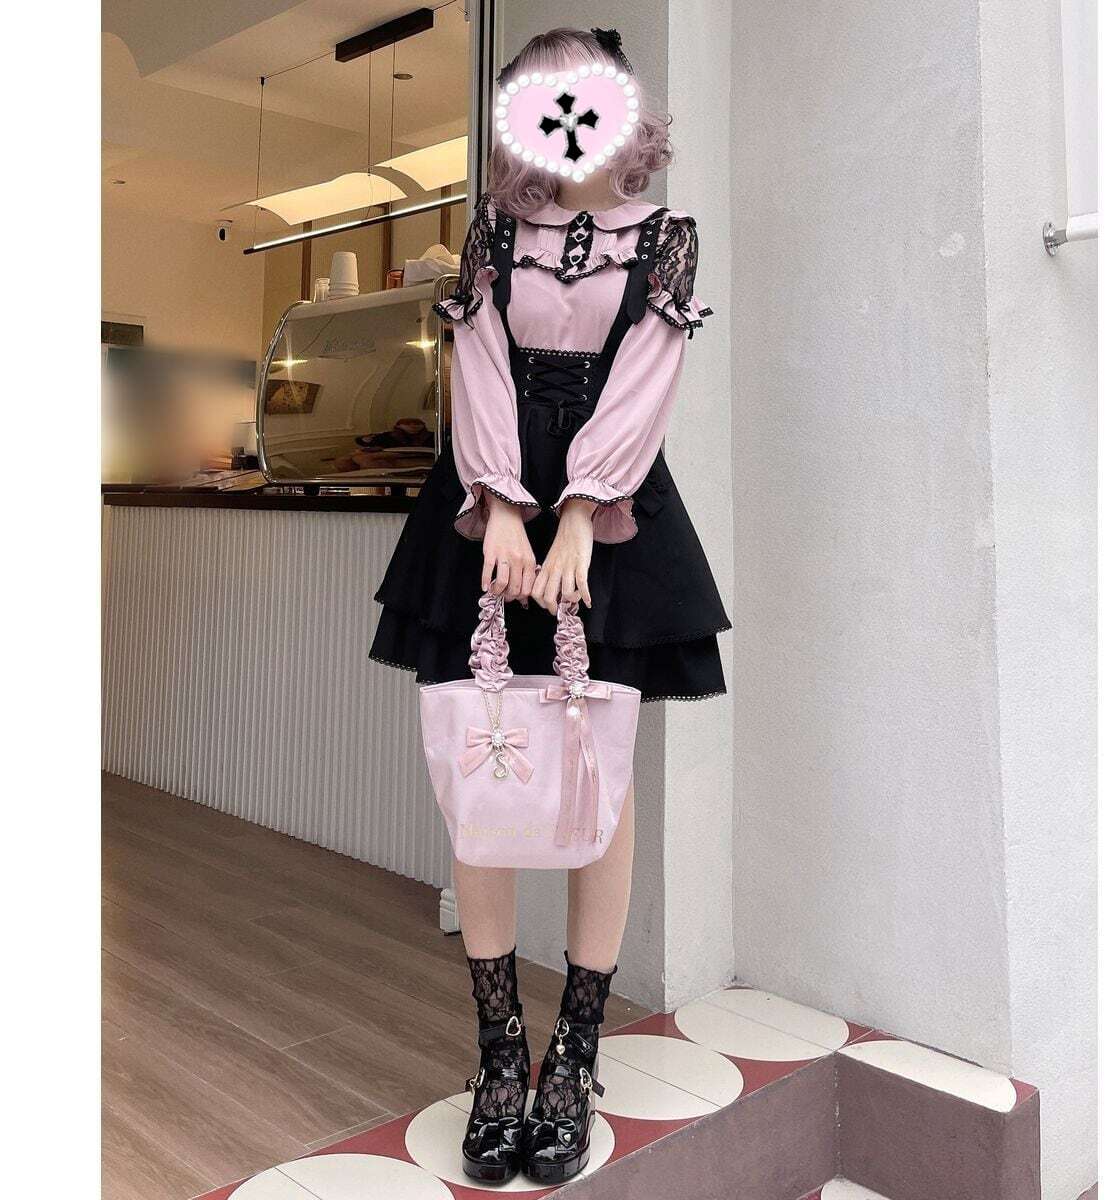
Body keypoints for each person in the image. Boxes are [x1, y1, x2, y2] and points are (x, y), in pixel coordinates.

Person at [369, 26, 729, 1186]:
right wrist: (500, 506)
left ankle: (574, 1054)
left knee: (595, 776)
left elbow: (646, 384)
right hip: (483, 511)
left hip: (608, 516)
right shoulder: (489, 235)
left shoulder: (667, 240)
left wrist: (579, 514)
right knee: (486, 775)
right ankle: (497, 1054)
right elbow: (475, 368)